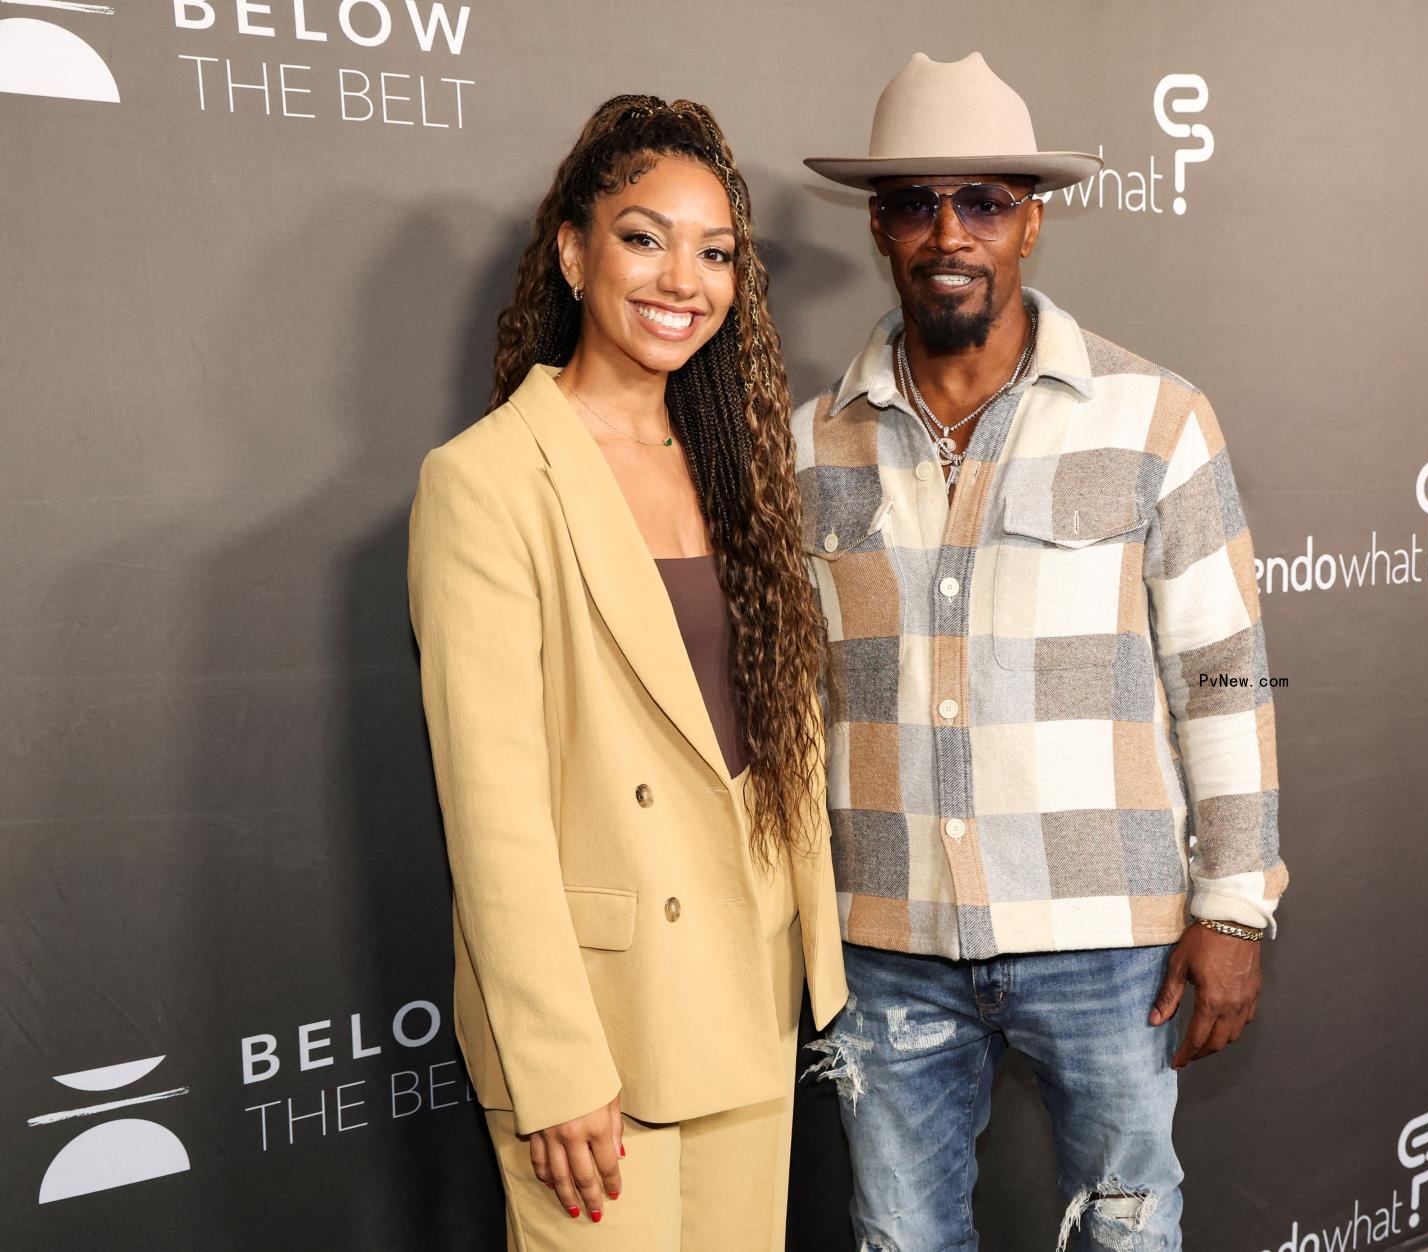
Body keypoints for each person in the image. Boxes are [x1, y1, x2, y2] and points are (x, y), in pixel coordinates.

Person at [793, 53, 1288, 1250]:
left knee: (1127, 1232)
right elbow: (793, 703)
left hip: (1110, 942)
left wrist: (1234, 906)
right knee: (901, 1239)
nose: (948, 231)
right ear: (878, 224)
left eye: (983, 200)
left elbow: (1223, 671)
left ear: (1032, 220)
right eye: (915, 202)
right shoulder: (806, 445)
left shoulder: (1153, 415)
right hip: (885, 940)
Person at [408, 95, 844, 1251]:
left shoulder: (738, 465)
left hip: (743, 996)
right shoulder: (487, 481)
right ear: (572, 250)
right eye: (646, 237)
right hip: (599, 1032)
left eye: (716, 254)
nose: (681, 280)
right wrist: (553, 1067)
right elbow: (492, 811)